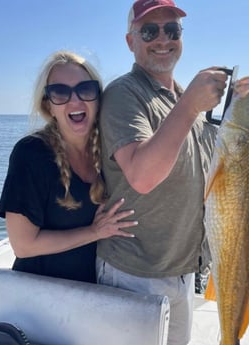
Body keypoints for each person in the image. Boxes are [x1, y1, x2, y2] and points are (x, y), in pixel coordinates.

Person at [97, 1, 228, 344]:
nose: (162, 39)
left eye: (171, 30)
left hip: (183, 269)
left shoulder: (187, 102)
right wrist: (189, 107)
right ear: (130, 41)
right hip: (135, 273)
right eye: (149, 31)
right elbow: (141, 176)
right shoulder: (123, 94)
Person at [0, 50, 137, 283]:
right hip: (39, 292)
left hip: (96, 290)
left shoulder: (110, 149)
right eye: (60, 92)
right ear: (49, 105)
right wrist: (94, 232)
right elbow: (23, 246)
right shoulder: (31, 154)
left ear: (98, 98)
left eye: (86, 89)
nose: (75, 100)